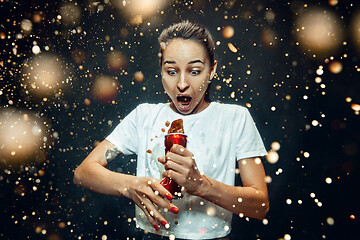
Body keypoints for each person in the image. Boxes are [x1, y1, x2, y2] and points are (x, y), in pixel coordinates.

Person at [74, 20, 269, 240]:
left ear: (212, 70)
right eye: (172, 71)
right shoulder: (144, 116)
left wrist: (201, 185)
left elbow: (260, 205)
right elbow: (83, 173)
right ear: (161, 71)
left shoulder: (235, 118)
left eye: (195, 71)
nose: (182, 83)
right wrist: (130, 185)